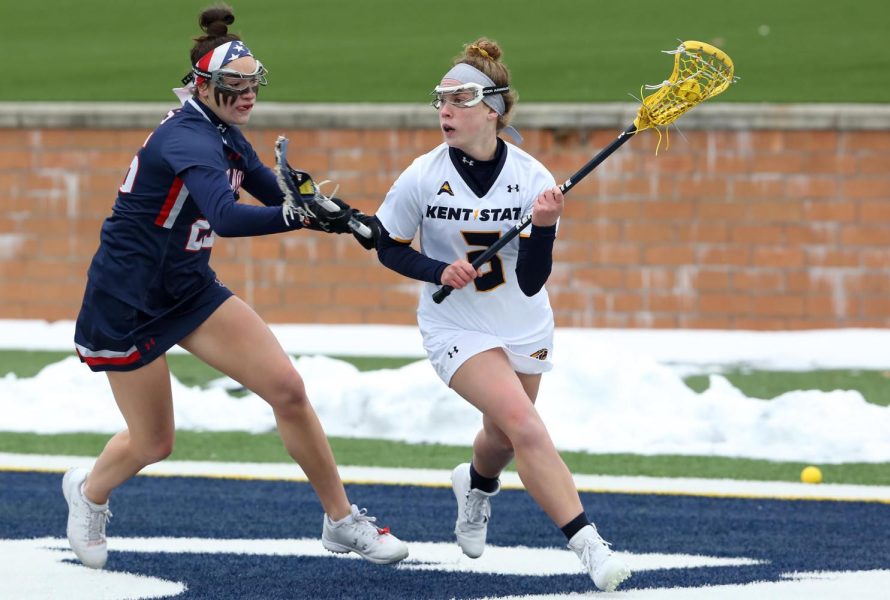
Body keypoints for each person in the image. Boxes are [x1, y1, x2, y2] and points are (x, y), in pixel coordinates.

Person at [64, 4, 406, 570]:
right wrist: (297, 217)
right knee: (153, 442)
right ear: (202, 85)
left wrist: (340, 215)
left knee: (288, 390)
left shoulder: (221, 130)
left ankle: (341, 520)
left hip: (189, 288)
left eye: (252, 85)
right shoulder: (188, 139)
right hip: (128, 300)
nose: (248, 96)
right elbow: (225, 215)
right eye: (235, 86)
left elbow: (269, 191)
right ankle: (89, 491)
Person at [373, 38, 631, 592]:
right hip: (456, 325)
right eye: (440, 100)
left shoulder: (533, 177)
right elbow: (387, 244)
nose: (445, 110)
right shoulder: (422, 174)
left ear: (493, 108)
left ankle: (475, 484)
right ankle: (590, 547)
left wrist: (543, 226)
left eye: (459, 100)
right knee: (526, 426)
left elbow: (534, 278)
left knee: (504, 435)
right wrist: (436, 271)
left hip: (523, 322)